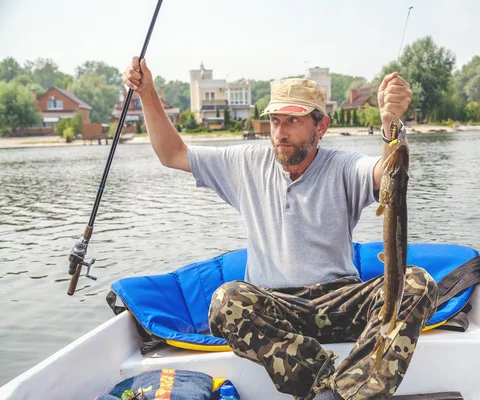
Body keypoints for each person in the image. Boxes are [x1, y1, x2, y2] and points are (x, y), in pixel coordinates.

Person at [123, 57, 438, 400]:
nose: (280, 132)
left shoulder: (343, 166)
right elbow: (172, 153)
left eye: (293, 121)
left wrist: (392, 126)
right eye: (274, 120)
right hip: (276, 308)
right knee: (227, 301)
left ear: (321, 126)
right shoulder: (245, 163)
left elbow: (388, 175)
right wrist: (148, 93)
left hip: (339, 300)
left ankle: (344, 394)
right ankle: (328, 385)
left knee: (416, 283)